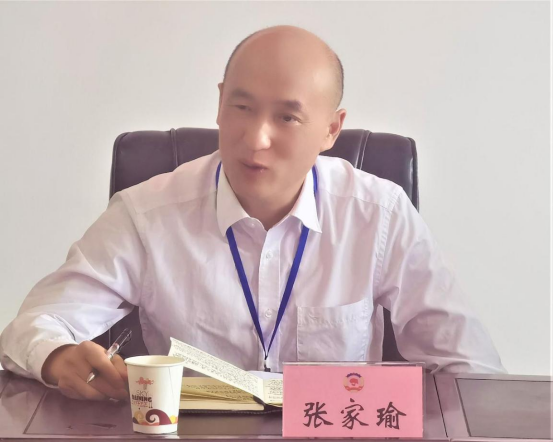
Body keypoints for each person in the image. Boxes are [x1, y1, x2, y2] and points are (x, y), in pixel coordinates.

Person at [0, 25, 505, 402]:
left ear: (331, 130)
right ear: (220, 103)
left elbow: (470, 370)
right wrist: (57, 357)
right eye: (242, 108)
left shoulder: (380, 215)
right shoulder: (147, 213)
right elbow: (31, 327)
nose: (257, 138)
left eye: (287, 116)